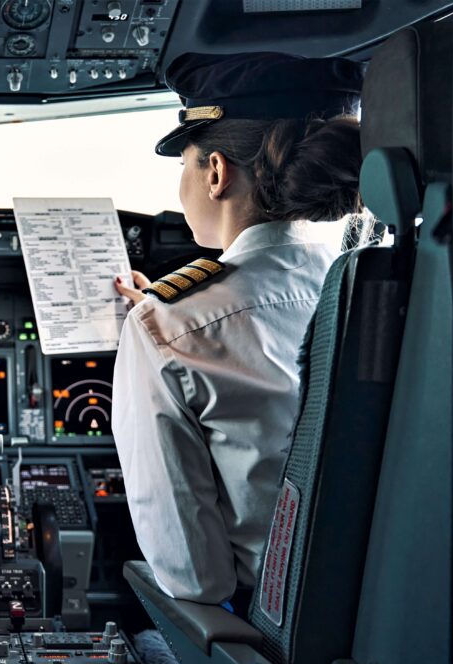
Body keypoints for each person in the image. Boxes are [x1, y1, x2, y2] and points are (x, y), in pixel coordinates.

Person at [111, 52, 365, 609]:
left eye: (185, 164)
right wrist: (166, 319)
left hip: (270, 634)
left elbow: (194, 579)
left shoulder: (165, 326)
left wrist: (155, 328)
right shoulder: (381, 290)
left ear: (217, 172)